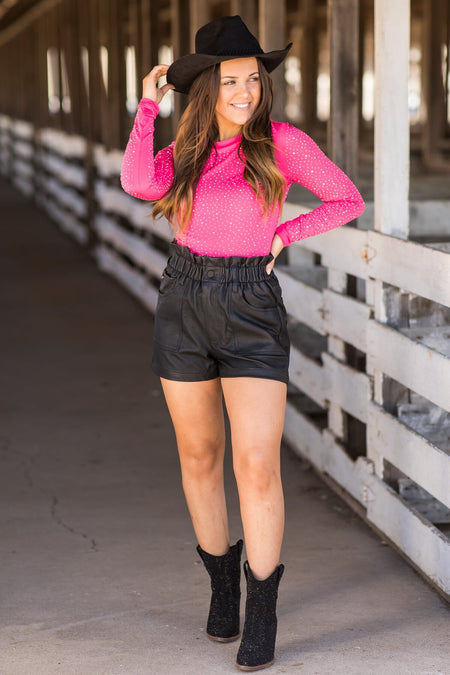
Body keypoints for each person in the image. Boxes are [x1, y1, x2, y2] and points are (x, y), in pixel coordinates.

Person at [120, 15, 365, 671]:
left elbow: (346, 199)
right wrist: (148, 106)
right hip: (185, 301)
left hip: (252, 308)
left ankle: (262, 608)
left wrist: (285, 235)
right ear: (206, 87)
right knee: (200, 456)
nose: (244, 92)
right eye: (231, 81)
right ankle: (222, 583)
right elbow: (138, 182)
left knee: (255, 465)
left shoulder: (280, 143)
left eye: (252, 79)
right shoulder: (187, 153)